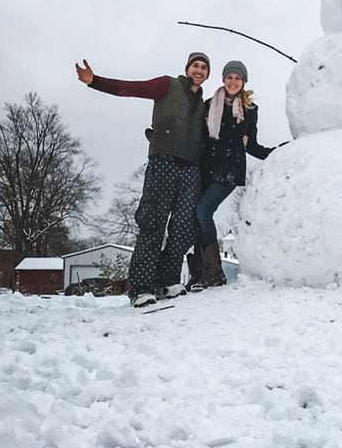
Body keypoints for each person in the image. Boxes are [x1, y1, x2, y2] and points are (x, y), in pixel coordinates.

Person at [75, 52, 211, 308]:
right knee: (152, 225)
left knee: (183, 230)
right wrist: (95, 81)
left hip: (191, 170)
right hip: (163, 163)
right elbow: (131, 88)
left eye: (204, 67)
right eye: (196, 65)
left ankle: (167, 280)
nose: (199, 70)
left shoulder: (205, 105)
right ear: (187, 68)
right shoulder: (167, 85)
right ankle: (141, 288)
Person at [192, 60, 275, 288]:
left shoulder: (249, 110)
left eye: (238, 78)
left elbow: (251, 145)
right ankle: (198, 273)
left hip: (229, 170)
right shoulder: (210, 105)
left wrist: (277, 152)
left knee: (203, 209)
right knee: (196, 216)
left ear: (243, 82)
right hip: (206, 167)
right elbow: (198, 136)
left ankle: (214, 272)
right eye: (230, 77)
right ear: (223, 79)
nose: (233, 82)